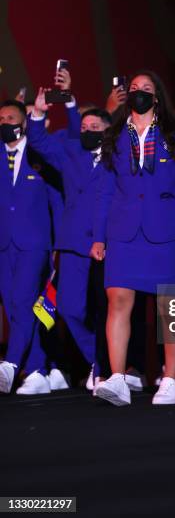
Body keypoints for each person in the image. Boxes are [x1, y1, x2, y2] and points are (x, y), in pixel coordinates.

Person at [90, 69, 175, 406]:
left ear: (157, 96)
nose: (139, 93)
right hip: (123, 231)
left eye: (146, 88)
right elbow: (105, 191)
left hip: (164, 229)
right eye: (134, 88)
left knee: (170, 307)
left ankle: (171, 380)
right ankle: (118, 377)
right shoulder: (115, 135)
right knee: (118, 300)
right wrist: (99, 237)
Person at [28, 91, 114, 391]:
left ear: (108, 131)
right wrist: (38, 114)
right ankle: (99, 362)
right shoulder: (72, 156)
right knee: (68, 308)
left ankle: (114, 370)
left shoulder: (119, 159)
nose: (88, 131)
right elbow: (39, 142)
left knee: (108, 310)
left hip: (111, 244)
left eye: (95, 128)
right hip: (74, 243)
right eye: (84, 127)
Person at [0, 100, 61, 394]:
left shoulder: (40, 154)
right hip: (3, 244)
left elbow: (56, 200)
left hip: (34, 243)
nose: (5, 122)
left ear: (23, 123)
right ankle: (37, 370)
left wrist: (59, 243)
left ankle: (11, 363)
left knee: (24, 301)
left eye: (10, 118)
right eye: (0, 118)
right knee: (15, 306)